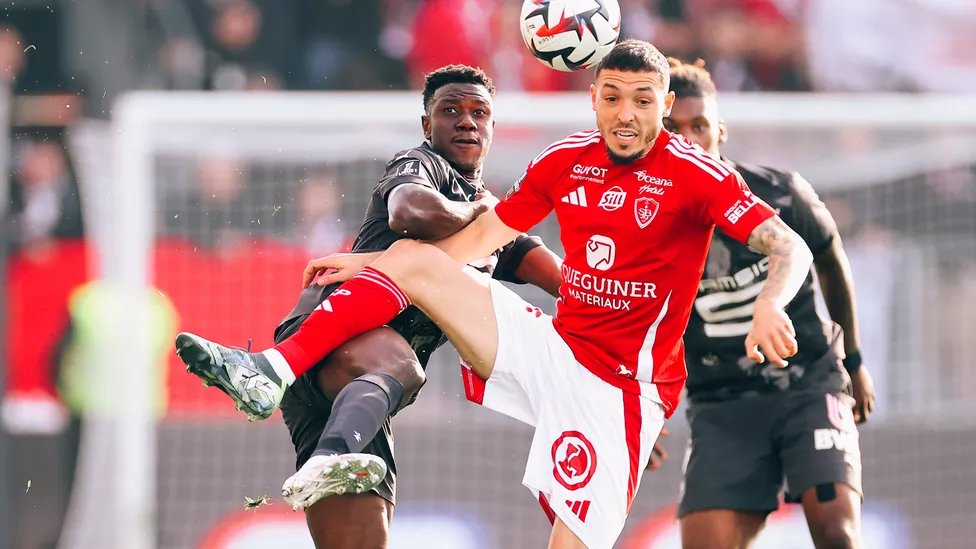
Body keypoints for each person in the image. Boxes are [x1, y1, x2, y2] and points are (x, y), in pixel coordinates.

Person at [176, 40, 815, 549]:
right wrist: (377, 262)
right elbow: (473, 238)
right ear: (593, 99)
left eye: (643, 101)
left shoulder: (695, 173)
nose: (626, 114)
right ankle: (270, 372)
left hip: (621, 390)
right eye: (613, 97)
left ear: (663, 102)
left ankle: (325, 440)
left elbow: (792, 247)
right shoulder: (563, 161)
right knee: (415, 270)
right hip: (554, 348)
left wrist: (769, 303)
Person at [183, 64, 564, 549]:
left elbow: (569, 285)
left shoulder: (501, 232)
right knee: (405, 364)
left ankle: (321, 440)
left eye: (479, 112)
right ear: (428, 126)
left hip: (362, 397)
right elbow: (411, 212)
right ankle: (312, 424)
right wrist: (482, 214)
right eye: (451, 111)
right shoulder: (421, 164)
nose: (466, 121)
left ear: (493, 127)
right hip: (339, 340)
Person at [662, 58, 876, 549]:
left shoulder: (780, 193)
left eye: (700, 127)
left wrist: (855, 360)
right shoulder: (643, 223)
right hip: (721, 401)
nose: (689, 140)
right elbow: (637, 323)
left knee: (838, 535)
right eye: (674, 129)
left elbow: (829, 259)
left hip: (806, 383)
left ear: (720, 130)